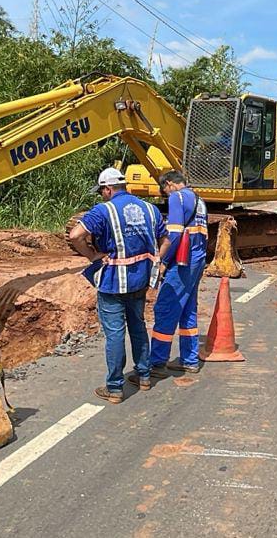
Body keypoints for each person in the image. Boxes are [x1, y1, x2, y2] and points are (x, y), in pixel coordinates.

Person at [68, 167, 165, 404]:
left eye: (102, 191)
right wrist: (157, 261)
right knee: (138, 326)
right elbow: (166, 239)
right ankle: (144, 376)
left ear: (108, 189)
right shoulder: (149, 209)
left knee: (115, 334)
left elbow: (75, 235)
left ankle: (114, 388)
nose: (102, 195)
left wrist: (92, 255)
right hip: (140, 280)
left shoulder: (104, 210)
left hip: (113, 282)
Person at [149, 170, 207, 375]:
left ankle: (157, 362)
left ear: (170, 184)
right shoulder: (199, 200)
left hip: (183, 262)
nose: (167, 196)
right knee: (188, 309)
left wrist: (163, 262)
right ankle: (189, 360)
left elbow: (174, 234)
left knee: (166, 306)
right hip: (197, 259)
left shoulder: (177, 197)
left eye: (165, 191)